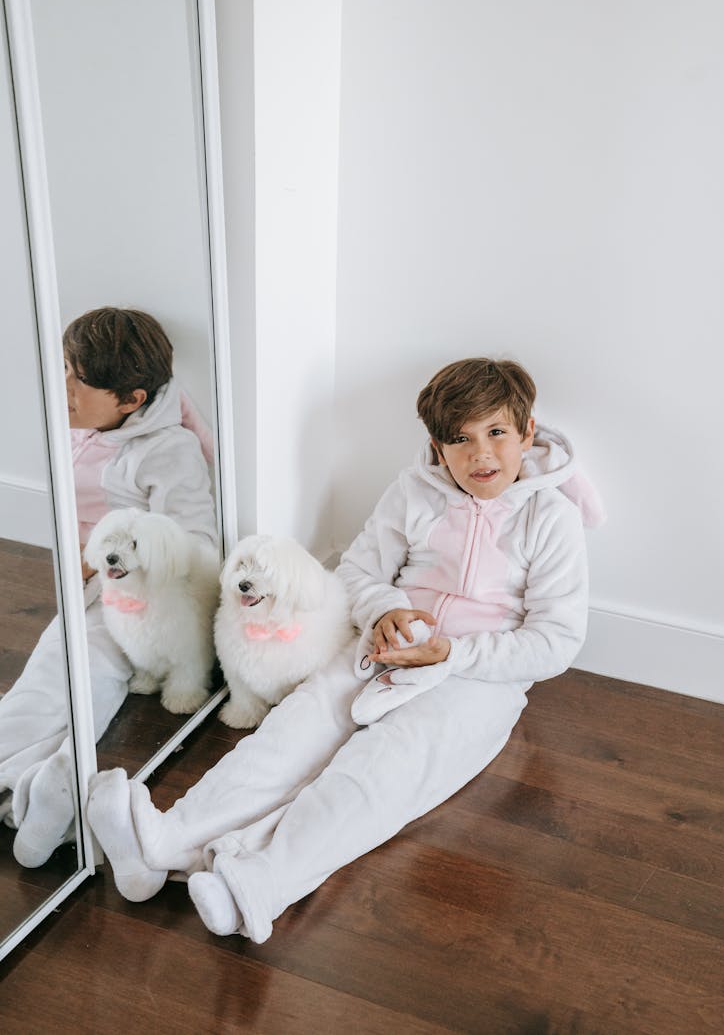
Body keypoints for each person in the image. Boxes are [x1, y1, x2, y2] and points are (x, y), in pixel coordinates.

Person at [86, 356, 604, 943]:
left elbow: (555, 641)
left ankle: (257, 880)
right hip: (384, 646)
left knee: (374, 773)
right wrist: (384, 610)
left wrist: (451, 655)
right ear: (437, 447)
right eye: (459, 440)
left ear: (526, 433)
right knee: (292, 733)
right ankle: (166, 838)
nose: (480, 455)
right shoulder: (414, 492)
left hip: (475, 680)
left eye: (496, 434)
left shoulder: (551, 519)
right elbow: (359, 568)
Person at [0, 307, 217, 867]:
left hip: (136, 599)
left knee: (68, 671)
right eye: (65, 368)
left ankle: (39, 790)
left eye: (79, 379)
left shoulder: (168, 451)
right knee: (59, 677)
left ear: (132, 399)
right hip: (92, 583)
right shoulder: (94, 426)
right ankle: (34, 788)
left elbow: (193, 542)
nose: (63, 386)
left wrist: (101, 564)